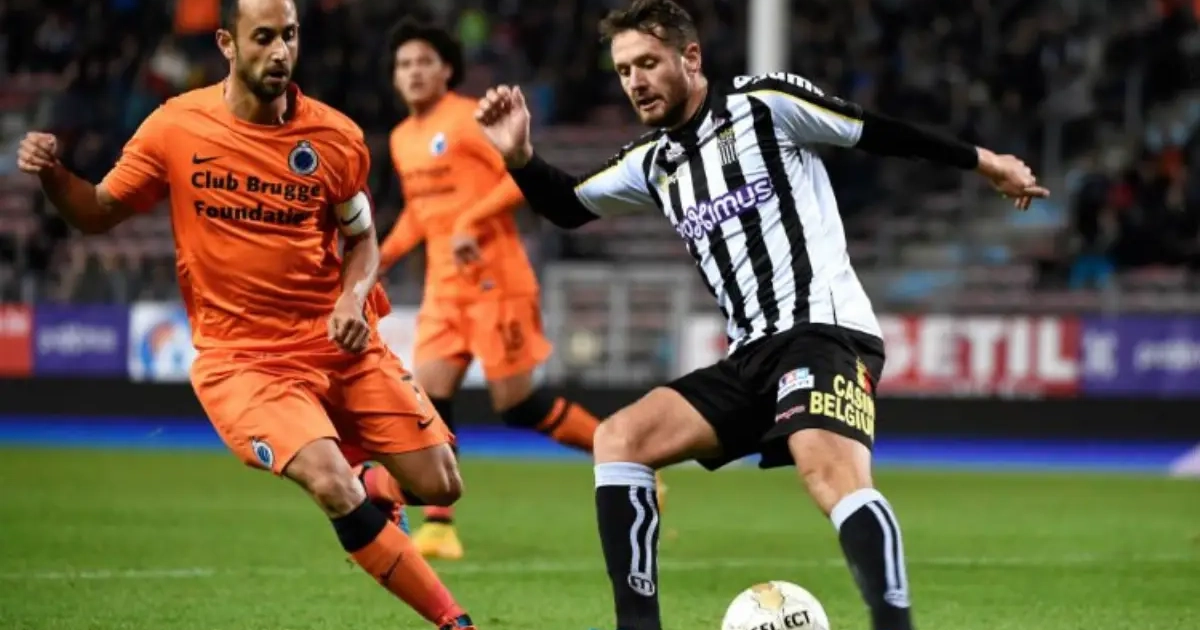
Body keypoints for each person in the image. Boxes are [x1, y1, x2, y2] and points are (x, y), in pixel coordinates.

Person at [472, 1, 1049, 629]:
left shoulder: (763, 104)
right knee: (619, 440)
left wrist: (986, 162)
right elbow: (568, 205)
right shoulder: (653, 162)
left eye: (648, 63)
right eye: (623, 70)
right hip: (749, 355)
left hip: (824, 332)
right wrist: (520, 157)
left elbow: (874, 130)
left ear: (691, 58)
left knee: (828, 473)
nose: (635, 81)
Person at [15, 1, 477, 628]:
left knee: (441, 484)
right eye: (263, 37)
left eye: (289, 35)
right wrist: (52, 175)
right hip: (245, 361)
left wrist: (351, 299)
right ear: (227, 44)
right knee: (330, 482)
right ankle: (455, 622)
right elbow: (95, 211)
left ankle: (374, 484)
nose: (280, 51)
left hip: (338, 344)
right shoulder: (176, 126)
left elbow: (362, 238)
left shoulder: (336, 138)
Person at [357, 18, 665, 561]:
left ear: (446, 70)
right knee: (426, 397)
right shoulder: (403, 139)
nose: (414, 72)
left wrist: (470, 221)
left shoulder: (465, 119)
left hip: (496, 282)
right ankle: (439, 524)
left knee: (519, 406)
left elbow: (516, 178)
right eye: (404, 64)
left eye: (424, 62)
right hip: (444, 290)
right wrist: (380, 260)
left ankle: (628, 457)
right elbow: (420, 214)